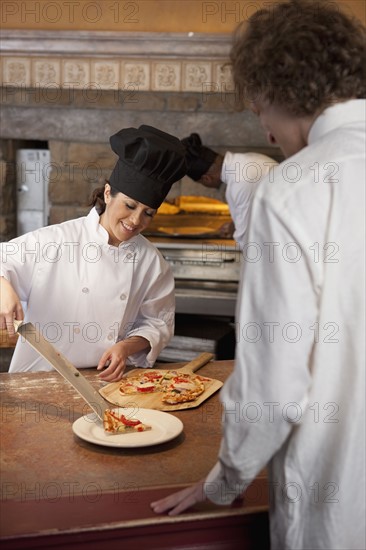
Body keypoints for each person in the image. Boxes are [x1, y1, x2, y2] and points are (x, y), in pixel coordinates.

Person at [151, 2, 366, 549]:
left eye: (258, 112)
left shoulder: (294, 189)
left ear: (276, 92)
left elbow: (275, 384)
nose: (267, 134)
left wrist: (224, 481)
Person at [0, 125, 187, 381]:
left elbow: (158, 324)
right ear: (108, 193)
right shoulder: (56, 240)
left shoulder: (152, 263)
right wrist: (3, 286)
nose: (135, 220)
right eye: (130, 205)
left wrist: (126, 347)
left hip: (105, 382)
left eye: (148, 213)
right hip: (37, 379)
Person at [182, 133, 278, 245]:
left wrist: (235, 230)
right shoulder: (248, 160)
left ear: (207, 178)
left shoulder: (240, 182)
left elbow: (246, 240)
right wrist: (235, 224)